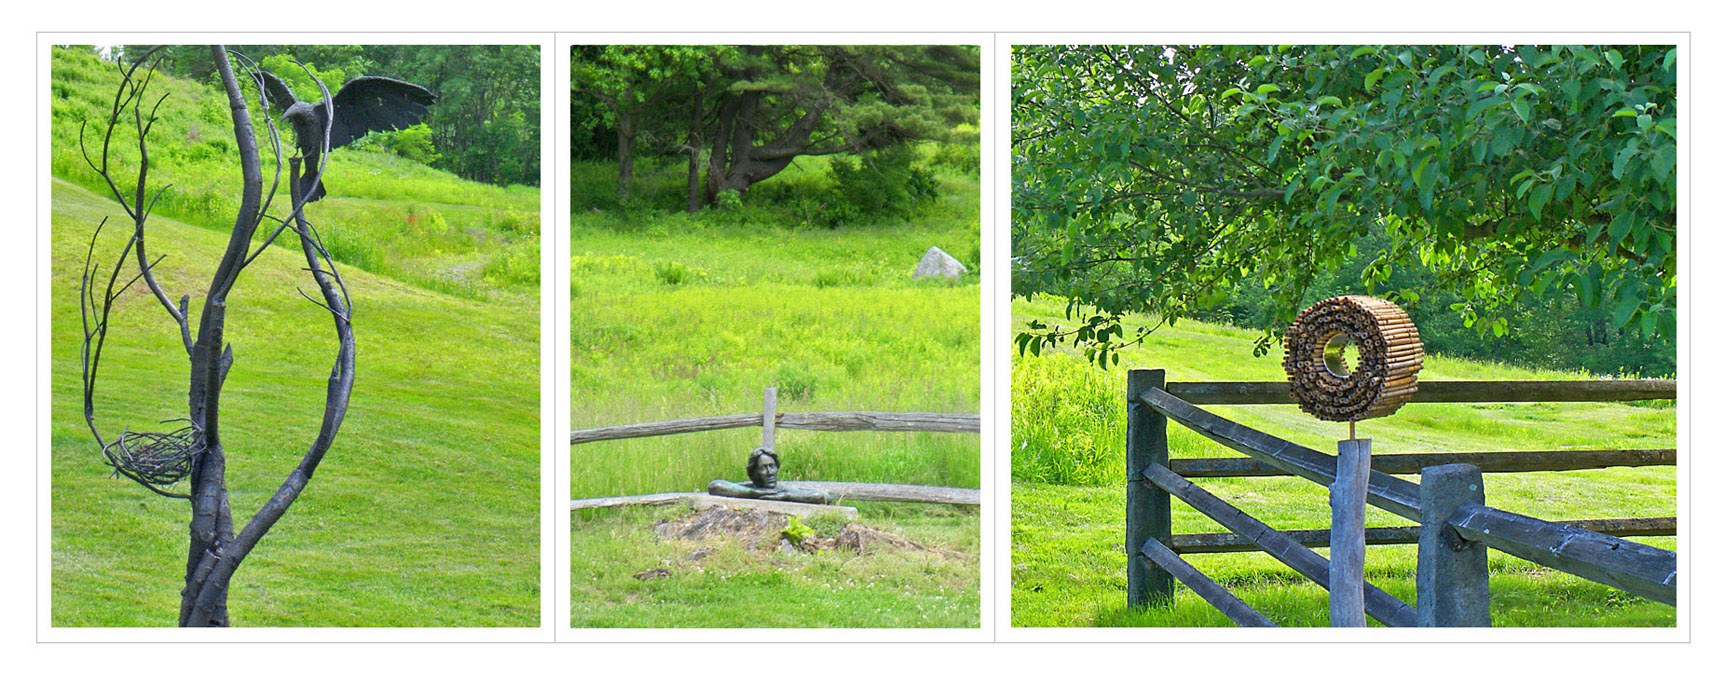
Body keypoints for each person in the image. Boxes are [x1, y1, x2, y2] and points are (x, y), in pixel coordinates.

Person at [706, 447, 832, 504]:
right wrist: (754, 493)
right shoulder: (748, 488)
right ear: (754, 472)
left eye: (772, 466)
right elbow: (715, 486)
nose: (769, 472)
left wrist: (787, 496)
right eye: (763, 468)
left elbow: (824, 496)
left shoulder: (782, 491)